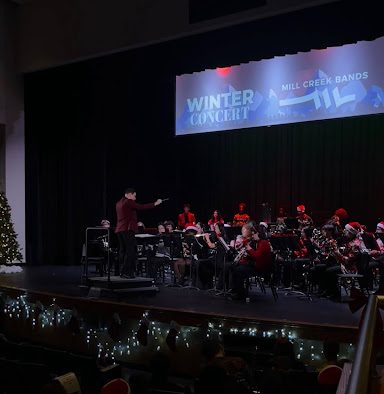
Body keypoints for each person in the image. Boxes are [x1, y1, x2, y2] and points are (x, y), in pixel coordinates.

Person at [115, 188, 162, 278]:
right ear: (129, 194)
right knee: (130, 251)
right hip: (127, 229)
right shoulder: (128, 202)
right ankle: (126, 272)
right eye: (134, 196)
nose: (135, 198)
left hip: (119, 229)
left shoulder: (119, 203)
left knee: (123, 251)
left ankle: (122, 272)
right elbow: (142, 207)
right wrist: (155, 203)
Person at [230, 223, 273, 301]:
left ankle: (240, 294)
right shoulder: (258, 242)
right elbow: (254, 255)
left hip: (260, 267)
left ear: (258, 234)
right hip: (255, 264)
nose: (252, 236)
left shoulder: (263, 243)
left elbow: (257, 257)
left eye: (254, 234)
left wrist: (249, 249)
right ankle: (235, 290)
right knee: (235, 266)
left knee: (238, 271)